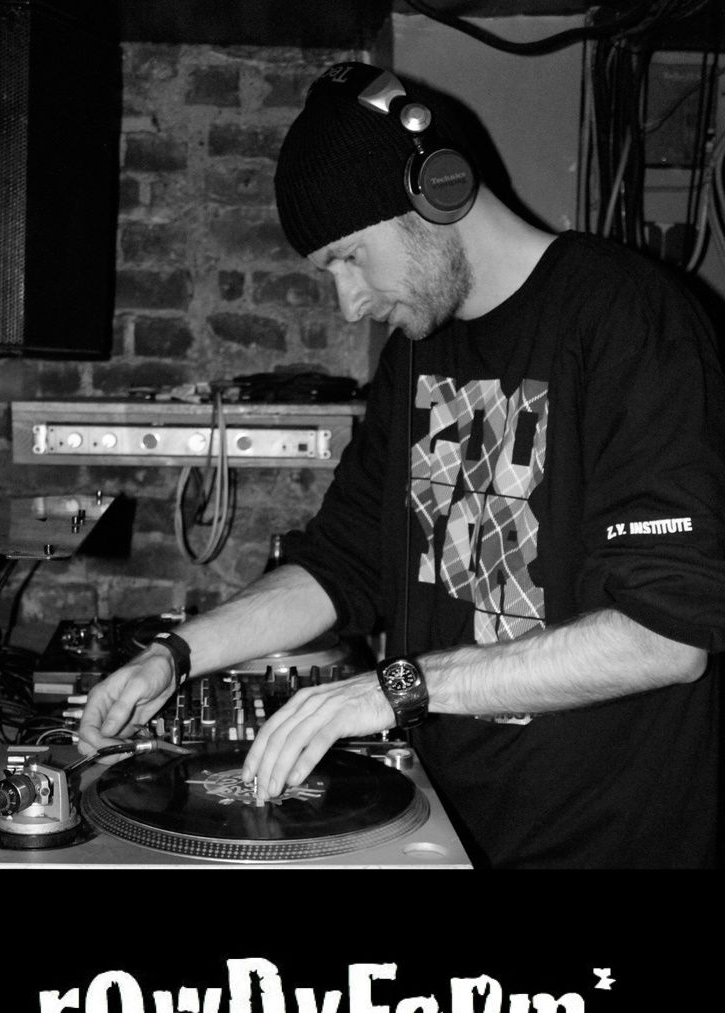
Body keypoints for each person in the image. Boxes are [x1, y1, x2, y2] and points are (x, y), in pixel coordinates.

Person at [79, 61, 725, 869]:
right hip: (448, 830)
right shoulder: (414, 356)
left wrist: (394, 688)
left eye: (350, 257)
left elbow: (666, 635)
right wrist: (173, 657)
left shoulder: (630, 319)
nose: (349, 302)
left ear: (435, 191)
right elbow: (342, 565)